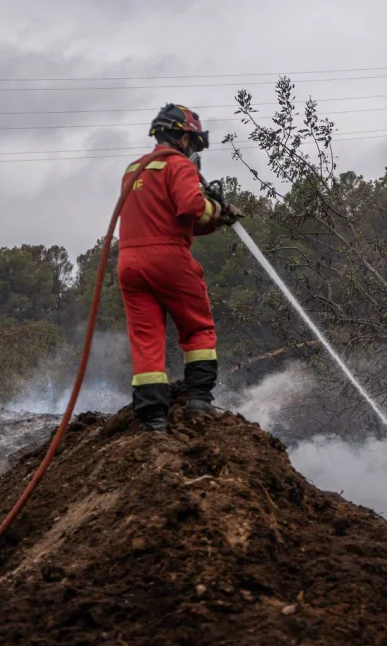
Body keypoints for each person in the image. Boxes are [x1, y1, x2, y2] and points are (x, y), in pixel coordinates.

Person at [117, 103, 243, 432]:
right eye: (194, 144)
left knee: (147, 339)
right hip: (168, 258)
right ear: (184, 139)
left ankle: (152, 419)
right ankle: (199, 401)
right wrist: (218, 209)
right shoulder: (178, 165)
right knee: (197, 328)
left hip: (129, 263)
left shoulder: (134, 170)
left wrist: (212, 220)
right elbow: (191, 206)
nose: (194, 152)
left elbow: (176, 218)